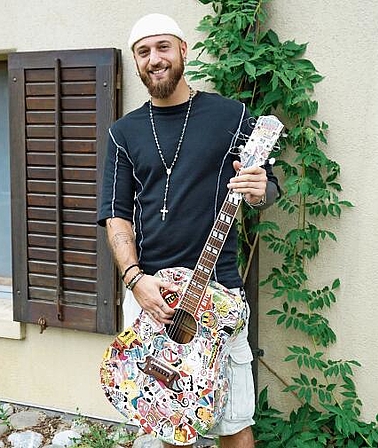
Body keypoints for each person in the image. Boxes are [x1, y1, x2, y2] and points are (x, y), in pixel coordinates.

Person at [97, 13, 280, 448]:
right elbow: (116, 214)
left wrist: (259, 189)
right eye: (144, 51)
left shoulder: (230, 115)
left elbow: (268, 185)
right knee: (166, 421)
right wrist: (135, 280)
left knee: (234, 424)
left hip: (218, 293)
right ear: (136, 62)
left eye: (163, 47)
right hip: (151, 293)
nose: (154, 59)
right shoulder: (124, 132)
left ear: (183, 50)